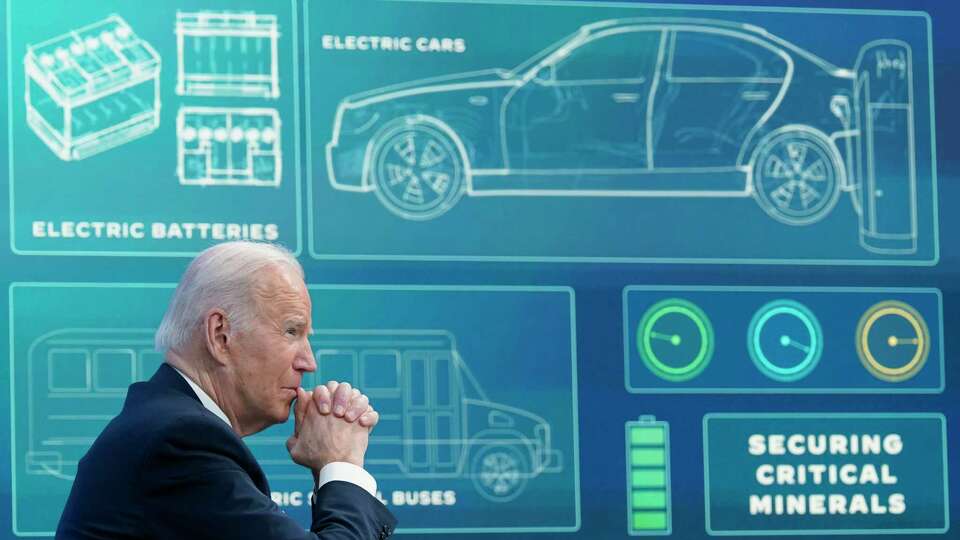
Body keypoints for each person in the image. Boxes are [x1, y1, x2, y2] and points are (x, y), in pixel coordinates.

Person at [56, 241, 397, 539]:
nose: (309, 362)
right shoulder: (179, 442)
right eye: (292, 331)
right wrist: (341, 463)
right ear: (221, 335)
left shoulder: (165, 426)